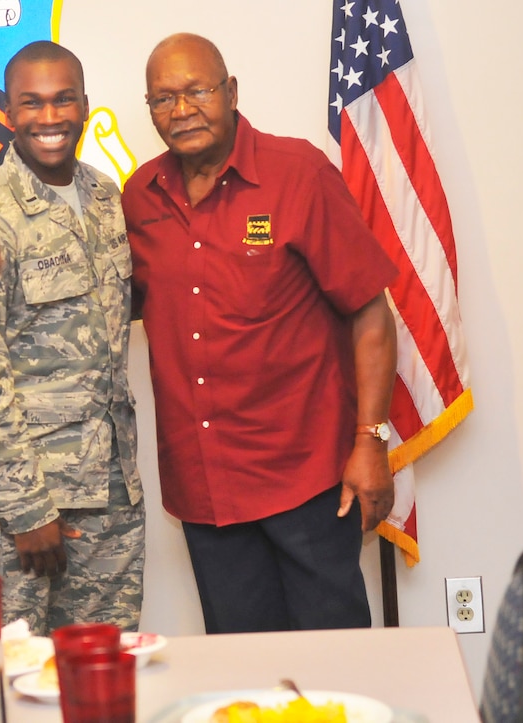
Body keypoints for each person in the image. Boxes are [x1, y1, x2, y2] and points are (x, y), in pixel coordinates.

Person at [121, 33, 399, 634]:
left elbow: (370, 311)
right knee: (242, 671)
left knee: (335, 670)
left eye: (198, 90)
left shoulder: (297, 173)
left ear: (232, 92)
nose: (182, 109)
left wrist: (370, 441)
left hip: (305, 476)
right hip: (205, 488)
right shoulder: (140, 197)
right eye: (164, 98)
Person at [0, 41, 144, 635]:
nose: (49, 118)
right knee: (5, 680)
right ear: (8, 114)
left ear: (84, 105)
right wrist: (27, 511)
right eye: (32, 103)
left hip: (109, 501)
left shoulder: (105, 197)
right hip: (12, 519)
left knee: (102, 675)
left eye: (62, 101)